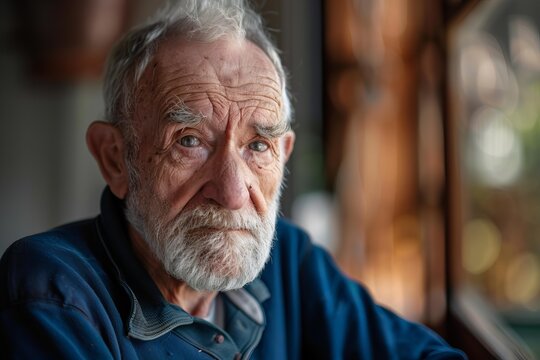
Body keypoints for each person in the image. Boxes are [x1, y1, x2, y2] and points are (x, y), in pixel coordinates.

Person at [0, 0, 467, 358]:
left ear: (282, 156)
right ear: (115, 159)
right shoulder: (53, 292)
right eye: (189, 141)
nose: (231, 192)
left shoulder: (289, 263)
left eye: (258, 146)